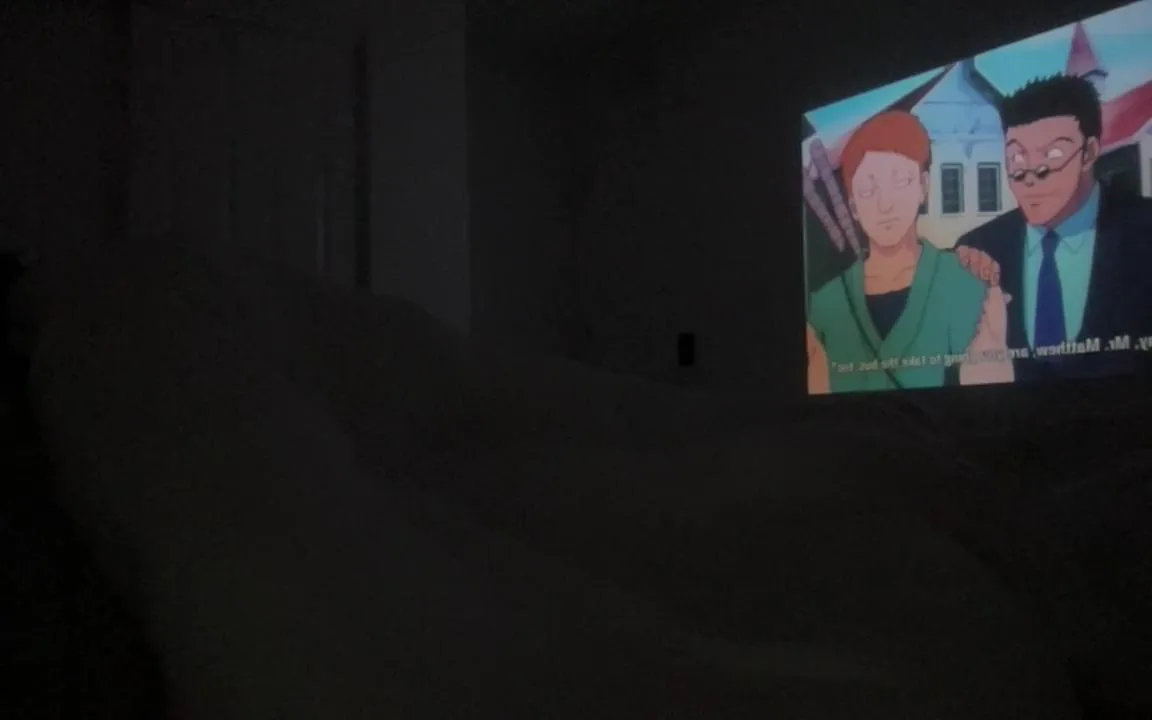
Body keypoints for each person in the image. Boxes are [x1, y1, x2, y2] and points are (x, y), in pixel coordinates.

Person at [956, 74, 1152, 383]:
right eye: (1017, 158)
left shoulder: (1143, 229)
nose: (1030, 178)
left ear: (1089, 152)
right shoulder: (978, 247)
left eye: (1052, 155)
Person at [807, 111, 1013, 394]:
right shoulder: (825, 303)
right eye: (868, 190)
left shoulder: (964, 284)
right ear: (853, 207)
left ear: (923, 186)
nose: (885, 205)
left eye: (901, 182)